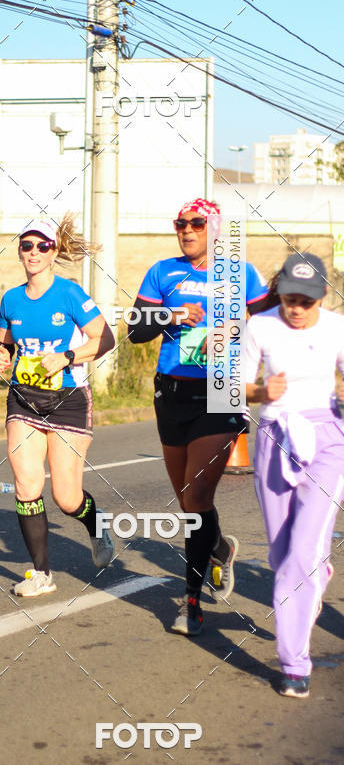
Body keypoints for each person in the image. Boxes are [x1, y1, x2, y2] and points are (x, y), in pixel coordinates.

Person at [128, 198, 268, 635]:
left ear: (216, 229)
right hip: (172, 393)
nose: (186, 230)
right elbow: (135, 330)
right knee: (190, 503)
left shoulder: (240, 273)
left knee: (196, 497)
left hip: (221, 393)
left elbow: (272, 326)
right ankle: (221, 547)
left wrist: (235, 331)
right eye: (180, 223)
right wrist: (170, 314)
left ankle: (190, 603)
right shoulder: (162, 272)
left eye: (196, 223)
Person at [0, 216, 116, 597]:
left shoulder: (70, 293)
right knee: (27, 484)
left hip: (68, 401)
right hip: (24, 400)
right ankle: (41, 574)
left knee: (66, 497)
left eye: (42, 246)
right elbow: (3, 343)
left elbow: (105, 339)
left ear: (54, 251)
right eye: (27, 245)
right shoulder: (11, 298)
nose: (33, 253)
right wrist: (0, 356)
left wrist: (66, 356)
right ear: (19, 250)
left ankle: (96, 526)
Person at [246, 252, 344, 699]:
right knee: (282, 550)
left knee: (301, 553)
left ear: (321, 296)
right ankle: (316, 571)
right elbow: (227, 390)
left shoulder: (338, 327)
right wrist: (260, 391)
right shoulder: (260, 325)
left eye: (306, 299)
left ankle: (293, 662)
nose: (297, 307)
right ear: (280, 291)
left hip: (328, 438)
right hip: (274, 436)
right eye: (290, 297)